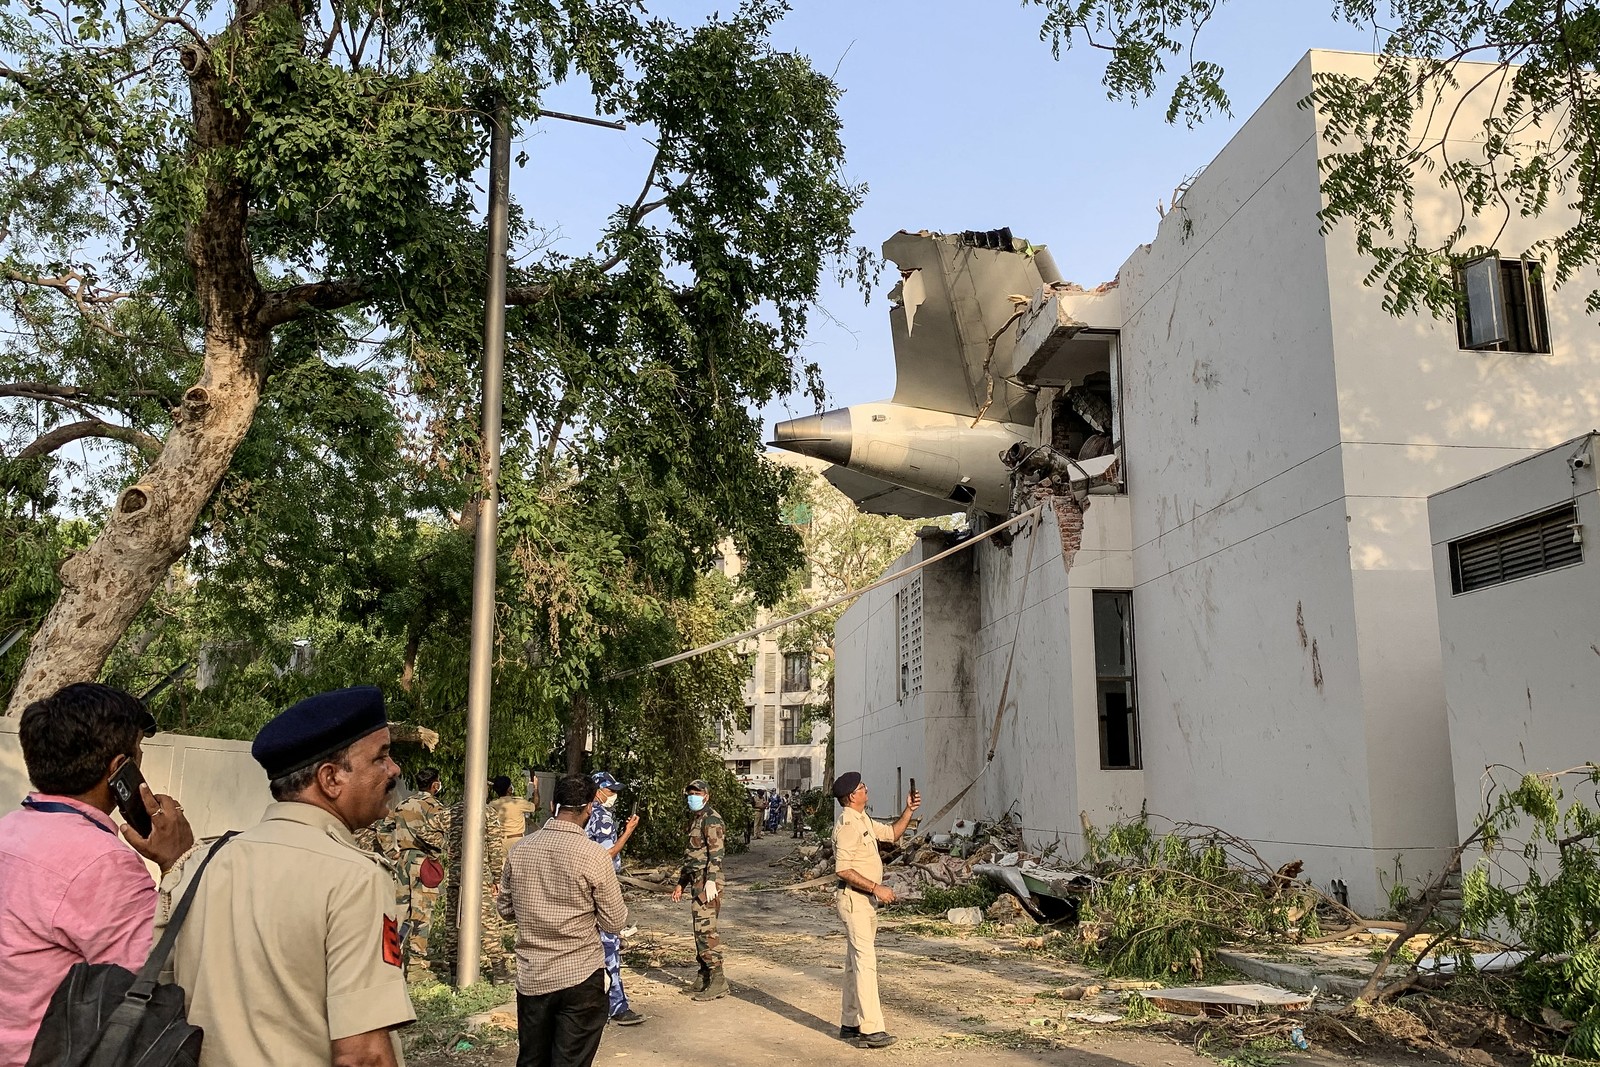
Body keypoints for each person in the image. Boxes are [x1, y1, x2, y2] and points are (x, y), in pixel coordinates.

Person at [158, 685, 416, 1066]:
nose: (393, 769)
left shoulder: (199, 865)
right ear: (331, 780)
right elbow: (363, 1056)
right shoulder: (353, 878)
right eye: (381, 756)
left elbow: (164, 999)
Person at [0, 682, 194, 1067]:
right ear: (118, 768)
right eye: (138, 754)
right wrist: (179, 860)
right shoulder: (103, 864)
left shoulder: (9, 829)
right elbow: (164, 971)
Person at [497, 774, 627, 1067]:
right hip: (580, 975)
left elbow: (504, 909)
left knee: (532, 1059)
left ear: (554, 804)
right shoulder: (595, 856)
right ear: (589, 810)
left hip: (533, 977)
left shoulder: (520, 850)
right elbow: (615, 921)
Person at [831, 770, 920, 1050]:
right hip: (854, 899)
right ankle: (871, 1029)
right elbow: (842, 869)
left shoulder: (863, 819)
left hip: (864, 902)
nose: (866, 789)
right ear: (852, 796)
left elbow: (892, 834)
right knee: (866, 963)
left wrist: (908, 810)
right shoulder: (847, 825)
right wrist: (875, 888)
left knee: (853, 964)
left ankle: (849, 1023)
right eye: (862, 787)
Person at [584, 771, 642, 1026]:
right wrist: (628, 831)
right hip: (601, 887)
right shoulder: (602, 818)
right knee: (609, 946)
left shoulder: (581, 815)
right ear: (598, 791)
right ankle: (616, 1006)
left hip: (581, 888)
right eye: (611, 790)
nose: (614, 796)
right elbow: (607, 855)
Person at [437, 792, 511, 983]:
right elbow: (494, 847)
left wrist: (447, 847)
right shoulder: (487, 812)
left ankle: (454, 971)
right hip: (480, 875)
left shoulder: (451, 811)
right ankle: (499, 970)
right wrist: (497, 877)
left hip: (456, 874)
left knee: (453, 921)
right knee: (487, 922)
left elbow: (427, 831)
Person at [384, 766, 447, 975]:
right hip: (423, 862)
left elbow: (383, 827)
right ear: (435, 784)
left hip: (402, 861)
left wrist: (391, 852)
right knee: (422, 913)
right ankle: (415, 966)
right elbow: (443, 834)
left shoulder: (403, 805)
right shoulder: (435, 807)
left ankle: (391, 959)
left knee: (399, 911)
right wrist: (437, 852)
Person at [670, 778, 727, 1000]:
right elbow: (691, 857)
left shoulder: (711, 820)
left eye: (696, 793)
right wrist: (680, 883)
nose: (692, 797)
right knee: (698, 931)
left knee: (706, 931)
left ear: (706, 795)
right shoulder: (696, 820)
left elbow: (716, 853)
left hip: (707, 882)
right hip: (696, 880)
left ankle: (718, 980)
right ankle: (704, 976)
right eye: (690, 793)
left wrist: (711, 880)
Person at [490, 774, 538, 846]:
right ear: (509, 789)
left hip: (500, 842)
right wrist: (536, 787)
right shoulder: (518, 803)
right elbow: (536, 805)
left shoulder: (492, 805)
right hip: (517, 841)